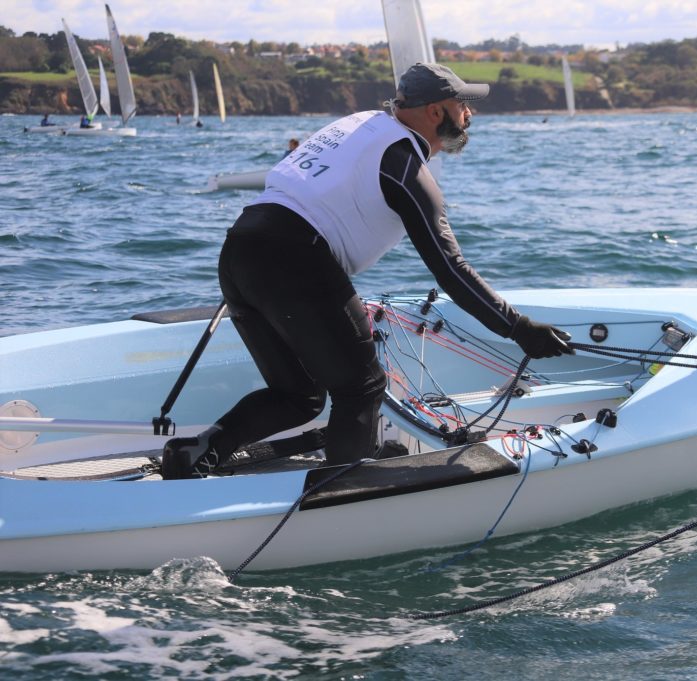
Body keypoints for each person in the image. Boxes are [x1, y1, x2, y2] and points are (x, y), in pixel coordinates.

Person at [161, 63, 573, 479]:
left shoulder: (362, 124)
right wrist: (518, 328)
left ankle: (195, 451)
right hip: (292, 257)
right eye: (462, 103)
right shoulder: (402, 165)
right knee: (362, 387)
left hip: (240, 249)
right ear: (435, 112)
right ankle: (346, 489)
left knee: (299, 394)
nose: (470, 114)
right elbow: (450, 268)